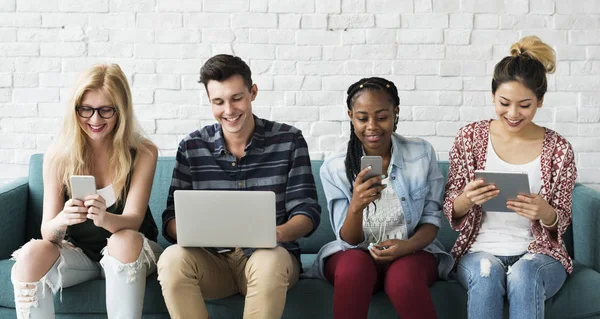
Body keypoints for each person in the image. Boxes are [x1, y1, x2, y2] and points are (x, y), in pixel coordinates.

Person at [156, 54, 321, 319]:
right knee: (171, 259)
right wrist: (196, 232)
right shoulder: (191, 147)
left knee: (270, 260)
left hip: (268, 259)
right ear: (209, 101)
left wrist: (275, 233)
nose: (229, 111)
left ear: (252, 92)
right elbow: (170, 219)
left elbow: (308, 212)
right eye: (218, 102)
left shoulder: (289, 140)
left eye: (237, 98)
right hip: (211, 263)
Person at [11, 64, 161, 319]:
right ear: (76, 110)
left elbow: (134, 220)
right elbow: (47, 231)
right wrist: (62, 220)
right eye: (86, 110)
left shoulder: (143, 152)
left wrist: (106, 218)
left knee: (122, 240)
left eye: (105, 110)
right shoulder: (58, 157)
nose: (95, 120)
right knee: (31, 254)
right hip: (78, 253)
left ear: (121, 111)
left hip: (131, 251)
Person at [444, 36, 578, 319]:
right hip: (479, 249)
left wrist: (546, 213)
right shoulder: (469, 138)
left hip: (539, 254)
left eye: (525, 105)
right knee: (486, 274)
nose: (513, 114)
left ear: (540, 102)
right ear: (492, 96)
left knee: (524, 275)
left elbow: (562, 219)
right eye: (504, 103)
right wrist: (466, 199)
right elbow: (450, 208)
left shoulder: (559, 149)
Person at [306, 77, 453, 319]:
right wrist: (356, 205)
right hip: (356, 254)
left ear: (396, 113)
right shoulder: (334, 167)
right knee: (354, 267)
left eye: (382, 117)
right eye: (362, 118)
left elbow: (431, 219)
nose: (372, 126)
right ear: (351, 116)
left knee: (403, 278)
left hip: (412, 251)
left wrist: (407, 246)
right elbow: (349, 242)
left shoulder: (421, 154)